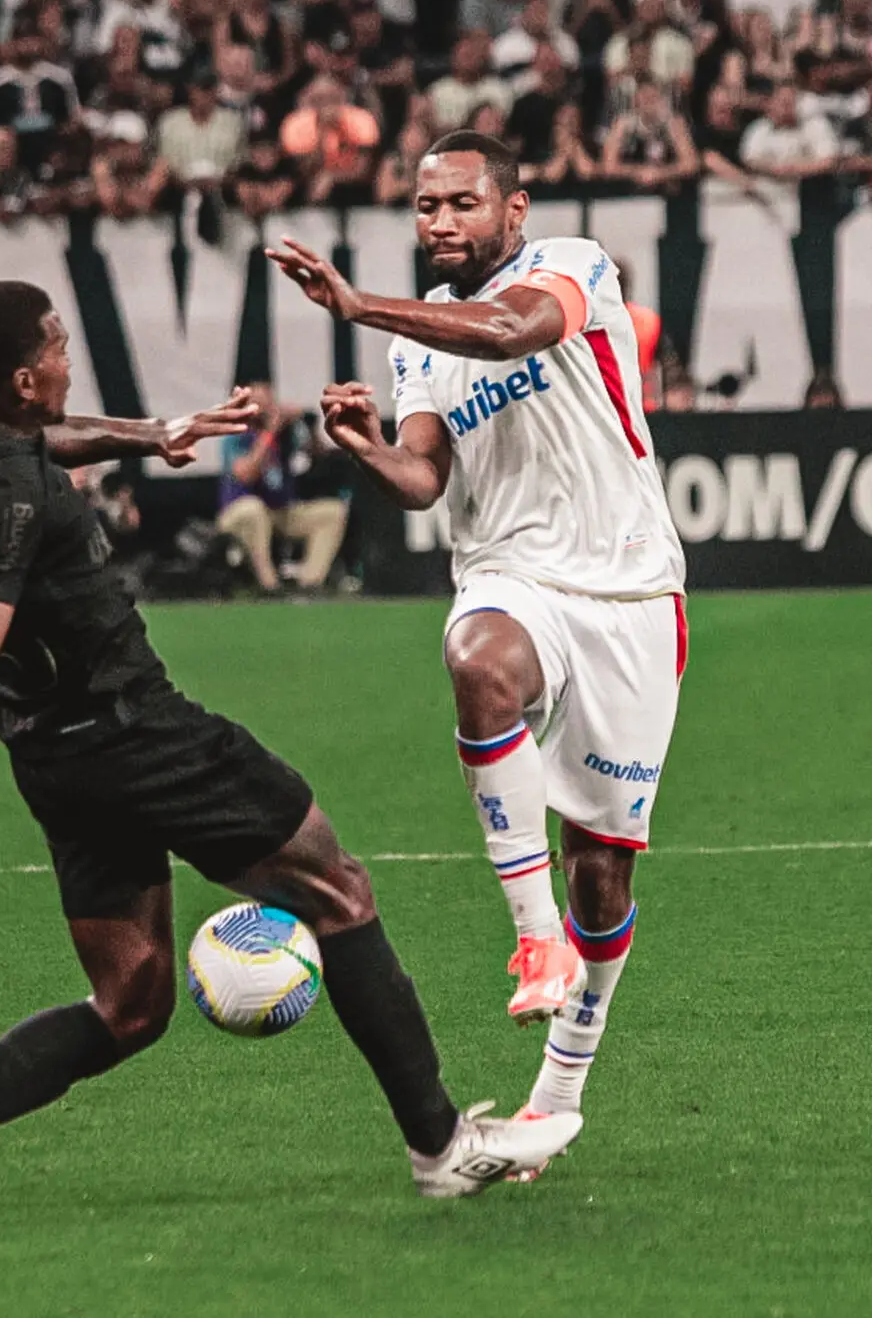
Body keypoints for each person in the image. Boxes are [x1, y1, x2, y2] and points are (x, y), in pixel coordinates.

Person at [0, 281, 583, 1227]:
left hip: (56, 759)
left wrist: (153, 434)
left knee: (131, 1005)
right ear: (24, 376)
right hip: (136, 731)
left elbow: (34, 438)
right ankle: (441, 1145)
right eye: (59, 348)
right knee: (339, 890)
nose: (69, 358)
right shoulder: (0, 491)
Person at [267, 131, 686, 1158]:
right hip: (509, 576)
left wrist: (358, 305)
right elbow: (423, 480)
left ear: (514, 208)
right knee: (477, 662)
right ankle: (530, 940)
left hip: (630, 592)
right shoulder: (412, 346)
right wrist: (364, 448)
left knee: (604, 875)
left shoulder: (574, 264)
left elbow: (508, 332)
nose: (440, 223)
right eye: (423, 207)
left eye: (460, 203)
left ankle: (558, 1094)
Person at [215, 386, 349, 593]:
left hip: (278, 511)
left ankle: (310, 583)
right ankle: (269, 586)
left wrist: (307, 425)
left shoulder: (285, 435)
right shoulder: (236, 435)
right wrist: (270, 431)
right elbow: (246, 473)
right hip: (238, 512)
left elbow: (318, 454)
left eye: (268, 403)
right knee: (253, 510)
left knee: (332, 512)